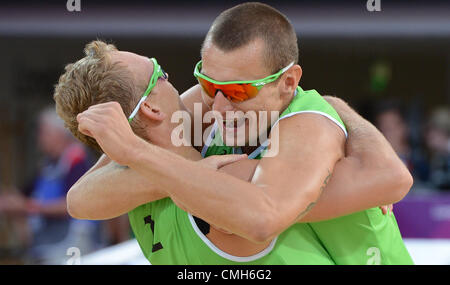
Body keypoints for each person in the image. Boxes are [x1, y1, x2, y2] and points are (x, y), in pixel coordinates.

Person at [57, 3, 413, 264]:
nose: (220, 102)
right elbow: (78, 199)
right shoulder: (217, 165)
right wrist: (179, 171)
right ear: (150, 108)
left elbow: (391, 177)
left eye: (238, 90)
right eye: (207, 83)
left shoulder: (291, 125)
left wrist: (336, 107)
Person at [0, 107, 100, 264]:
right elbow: (23, 193)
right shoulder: (48, 164)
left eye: (43, 132)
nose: (39, 139)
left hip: (72, 249)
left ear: (60, 134)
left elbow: (73, 205)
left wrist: (27, 207)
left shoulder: (76, 159)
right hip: (48, 246)